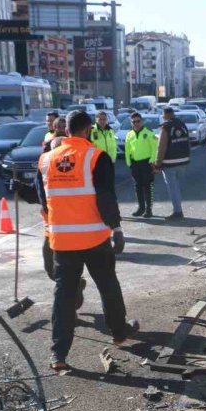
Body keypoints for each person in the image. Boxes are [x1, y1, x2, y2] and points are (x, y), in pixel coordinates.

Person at [36, 110, 138, 371]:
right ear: (89, 129)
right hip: (94, 238)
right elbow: (105, 196)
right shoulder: (96, 157)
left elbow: (42, 200)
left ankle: (58, 354)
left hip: (63, 242)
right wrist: (116, 228)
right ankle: (119, 333)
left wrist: (51, 231)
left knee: (64, 296)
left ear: (66, 130)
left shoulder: (46, 160)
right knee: (108, 285)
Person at [153, 107, 190, 220]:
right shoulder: (182, 125)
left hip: (169, 163)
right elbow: (187, 142)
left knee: (173, 188)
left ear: (165, 115)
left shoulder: (165, 127)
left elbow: (161, 147)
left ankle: (178, 212)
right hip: (183, 161)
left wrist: (157, 164)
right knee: (177, 186)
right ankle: (178, 208)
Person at [124, 112, 158, 218]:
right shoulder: (129, 134)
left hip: (147, 163)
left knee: (147, 186)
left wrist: (152, 161)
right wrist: (129, 163)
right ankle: (141, 208)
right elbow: (127, 150)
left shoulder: (148, 133)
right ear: (131, 123)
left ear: (142, 121)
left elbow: (155, 148)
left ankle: (149, 209)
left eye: (138, 121)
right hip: (135, 164)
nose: (136, 123)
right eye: (134, 122)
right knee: (138, 187)